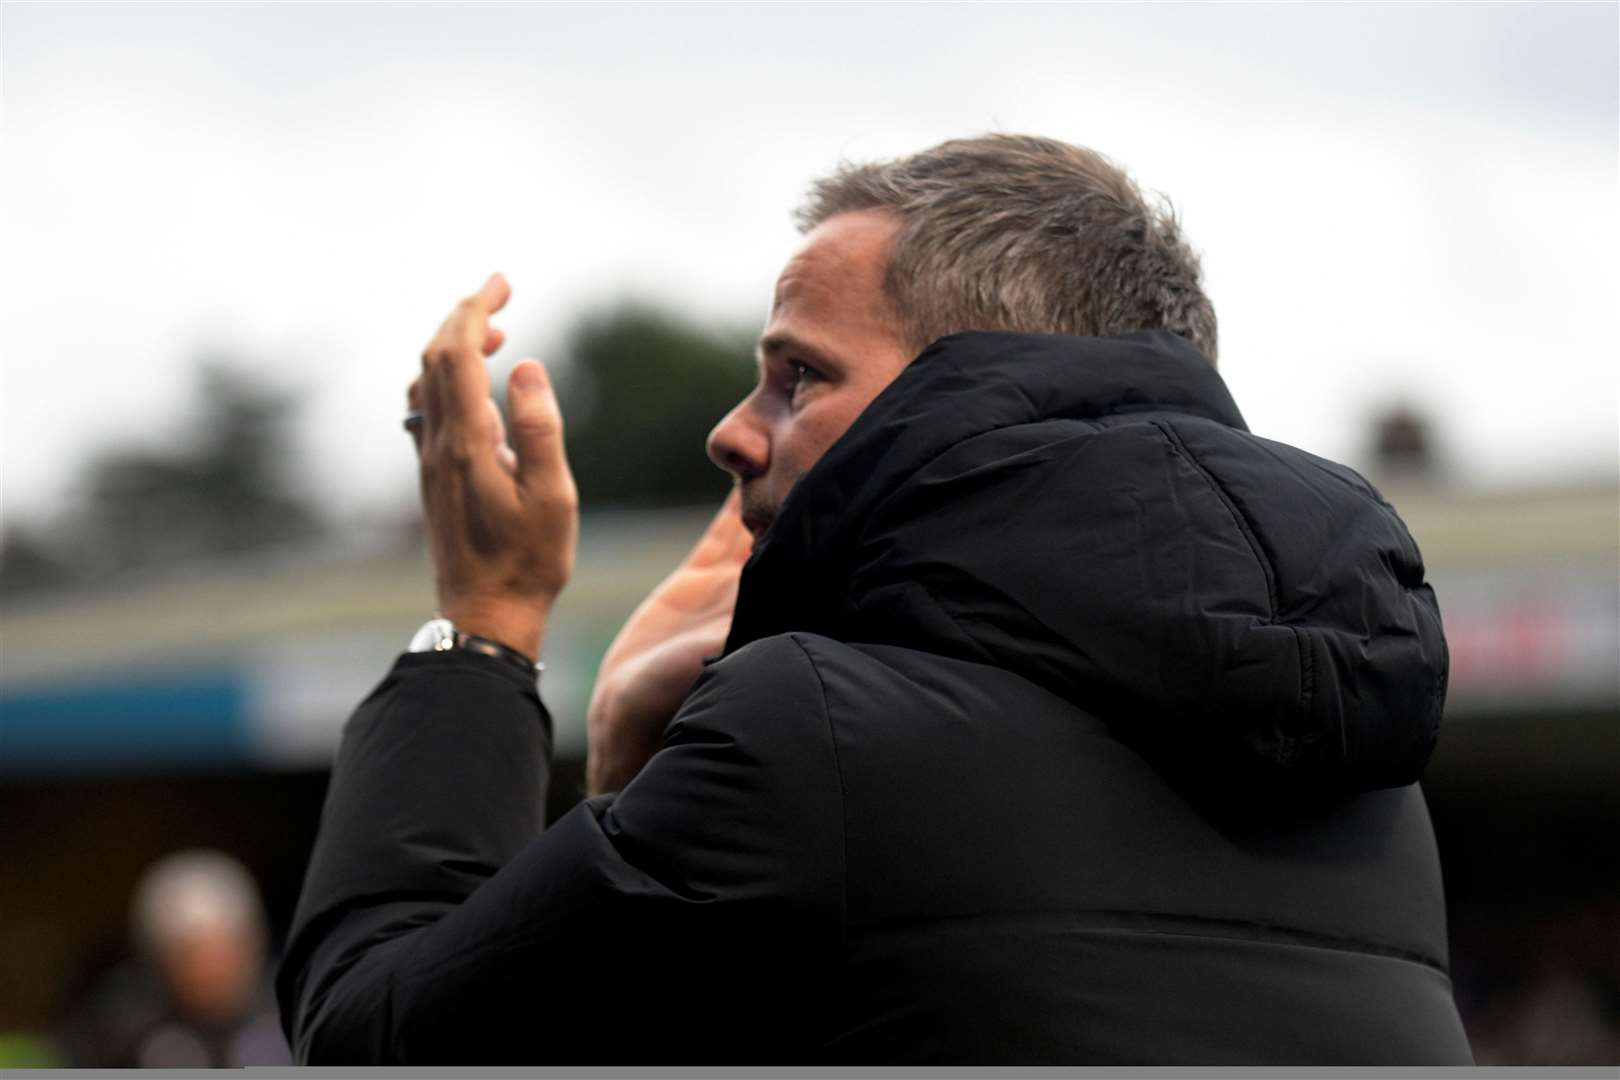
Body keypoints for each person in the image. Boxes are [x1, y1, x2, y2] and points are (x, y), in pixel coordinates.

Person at [277, 135, 1473, 1063]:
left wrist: (483, 628)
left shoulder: (815, 741)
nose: (733, 432)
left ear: (980, 394)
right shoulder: (1365, 797)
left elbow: (371, 1037)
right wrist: (639, 777)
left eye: (798, 376)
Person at [62, 850, 290, 1068]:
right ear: (160, 959)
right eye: (192, 954)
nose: (212, 970)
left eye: (225, 950)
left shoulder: (289, 1011)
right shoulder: (121, 1028)